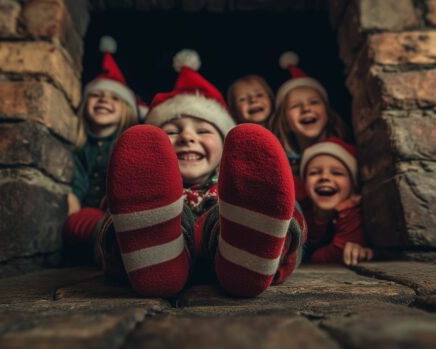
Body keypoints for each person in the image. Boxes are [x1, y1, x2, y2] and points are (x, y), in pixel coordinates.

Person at [91, 49, 307, 298]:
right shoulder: (137, 190)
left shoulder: (238, 188)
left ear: (226, 147)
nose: (187, 137)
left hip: (228, 243)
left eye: (203, 131)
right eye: (171, 132)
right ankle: (154, 262)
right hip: (158, 249)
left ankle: (253, 260)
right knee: (115, 222)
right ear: (153, 150)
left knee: (285, 210)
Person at [64, 36, 138, 246]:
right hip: (88, 211)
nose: (104, 100)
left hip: (117, 210)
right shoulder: (80, 145)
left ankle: (111, 239)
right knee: (79, 220)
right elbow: (77, 181)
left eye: (115, 98)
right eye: (96, 95)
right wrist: (73, 202)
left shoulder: (127, 144)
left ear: (127, 110)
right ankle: (102, 240)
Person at [268, 51, 350, 201]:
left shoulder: (349, 155)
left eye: (314, 102)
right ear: (284, 123)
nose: (306, 108)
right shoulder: (280, 169)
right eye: (295, 106)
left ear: (327, 113)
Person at [299, 137, 373, 266]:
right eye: (314, 172)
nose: (325, 177)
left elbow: (339, 252)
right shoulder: (302, 213)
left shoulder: (352, 214)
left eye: (337, 173)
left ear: (353, 186)